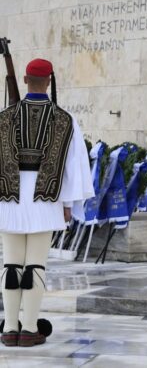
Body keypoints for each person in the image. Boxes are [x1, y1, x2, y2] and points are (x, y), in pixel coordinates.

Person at [0, 59, 93, 347]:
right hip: (46, 199)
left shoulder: (3, 117)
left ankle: (9, 328)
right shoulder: (65, 119)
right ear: (49, 82)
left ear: (25, 80)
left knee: (11, 264)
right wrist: (68, 203)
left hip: (9, 200)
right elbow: (74, 167)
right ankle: (29, 329)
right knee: (35, 266)